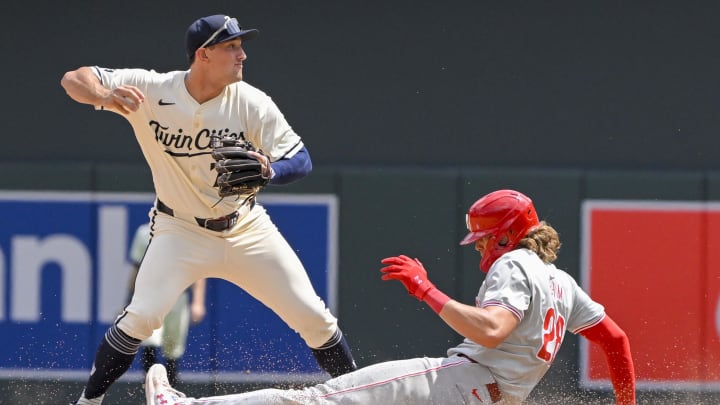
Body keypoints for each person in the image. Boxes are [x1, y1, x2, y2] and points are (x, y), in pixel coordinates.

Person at [61, 13, 357, 405]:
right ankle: (89, 402)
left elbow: (300, 160)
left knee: (315, 319)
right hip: (178, 230)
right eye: (231, 46)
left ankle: (362, 395)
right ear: (203, 54)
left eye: (241, 46)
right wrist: (102, 97)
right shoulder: (153, 89)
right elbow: (74, 78)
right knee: (140, 318)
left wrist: (271, 169)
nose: (242, 55)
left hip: (246, 229)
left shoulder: (251, 102)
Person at [144, 189, 636, 405]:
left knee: (315, 399)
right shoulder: (563, 283)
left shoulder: (515, 264)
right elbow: (616, 342)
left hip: (460, 385)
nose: (482, 247)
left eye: (485, 238)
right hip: (495, 397)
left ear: (507, 235)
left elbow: (492, 329)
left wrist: (426, 290)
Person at [127, 222, 207, 386]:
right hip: (151, 295)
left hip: (178, 295)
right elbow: (136, 269)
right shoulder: (145, 232)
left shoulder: (188, 232)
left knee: (173, 346)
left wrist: (198, 302)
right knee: (150, 341)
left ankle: (170, 391)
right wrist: (130, 298)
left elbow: (198, 271)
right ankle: (151, 389)